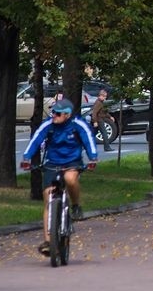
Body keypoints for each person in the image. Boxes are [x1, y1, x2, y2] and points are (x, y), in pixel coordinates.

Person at [20, 99, 97, 256]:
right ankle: (48, 241)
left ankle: (75, 205)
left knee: (70, 179)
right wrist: (26, 157)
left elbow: (89, 140)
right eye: (53, 112)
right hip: (52, 163)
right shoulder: (48, 124)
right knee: (49, 198)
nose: (54, 115)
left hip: (72, 162)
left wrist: (93, 158)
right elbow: (36, 139)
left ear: (67, 115)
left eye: (58, 113)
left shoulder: (78, 124)